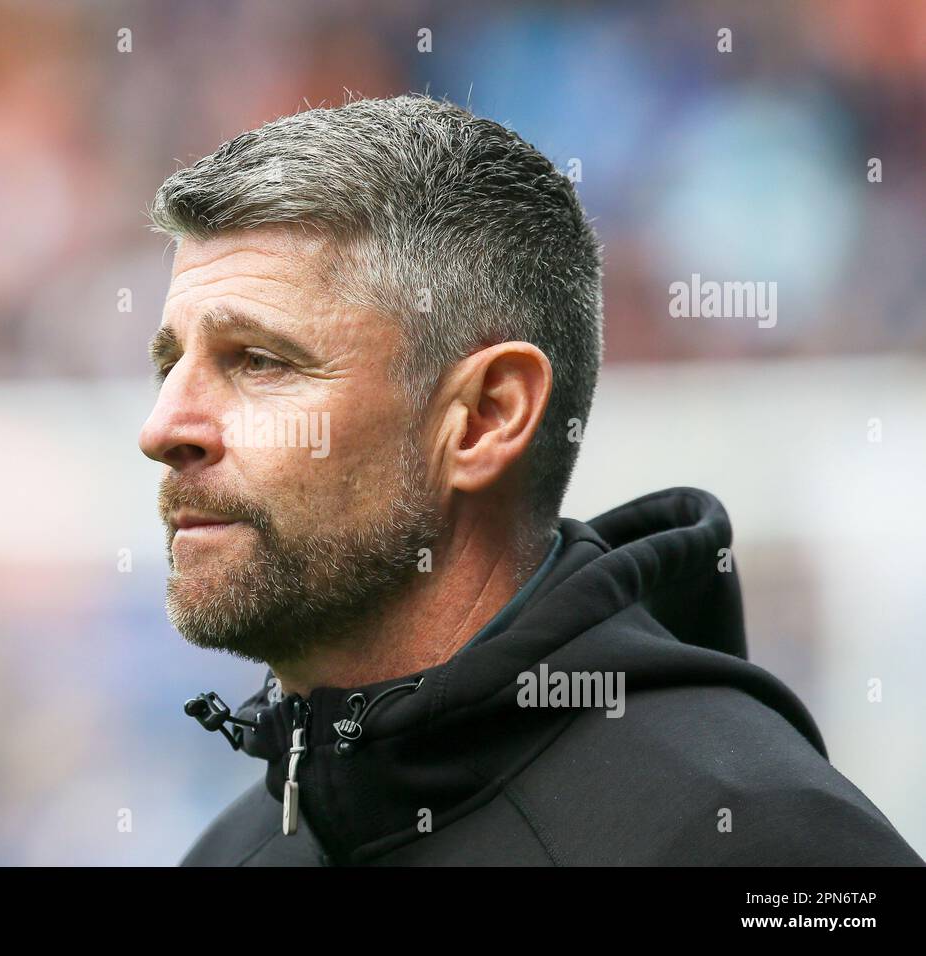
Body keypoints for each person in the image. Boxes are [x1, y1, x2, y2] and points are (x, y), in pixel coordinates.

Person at [137, 94, 923, 866]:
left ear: (485, 417)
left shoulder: (760, 839)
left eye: (259, 361)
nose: (163, 429)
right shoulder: (236, 851)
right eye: (171, 365)